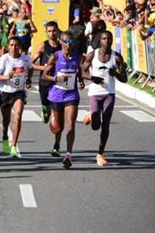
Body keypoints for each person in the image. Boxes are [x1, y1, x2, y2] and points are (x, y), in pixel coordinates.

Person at [82, 31, 127, 166]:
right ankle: (92, 115)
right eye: (104, 38)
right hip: (95, 93)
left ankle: (100, 153)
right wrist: (92, 78)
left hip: (109, 93)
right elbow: (83, 71)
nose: (107, 41)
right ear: (100, 40)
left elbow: (124, 79)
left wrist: (117, 74)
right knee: (96, 126)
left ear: (112, 40)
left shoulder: (117, 57)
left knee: (105, 124)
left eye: (109, 39)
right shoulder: (92, 55)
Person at [42, 31, 85, 169]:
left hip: (71, 95)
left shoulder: (77, 57)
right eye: (66, 42)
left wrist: (81, 81)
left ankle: (68, 155)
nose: (69, 44)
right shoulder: (55, 57)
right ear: (61, 42)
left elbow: (78, 72)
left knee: (70, 124)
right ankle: (56, 143)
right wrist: (56, 79)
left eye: (71, 42)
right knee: (58, 127)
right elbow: (44, 76)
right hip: (56, 95)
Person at [0, 37, 33, 158]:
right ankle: (5, 136)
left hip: (18, 92)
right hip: (5, 92)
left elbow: (30, 69)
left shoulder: (25, 59)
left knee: (18, 116)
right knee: (6, 120)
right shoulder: (4, 59)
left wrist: (29, 80)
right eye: (11, 45)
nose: (14, 47)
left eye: (16, 45)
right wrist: (6, 77)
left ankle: (14, 146)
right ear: (8, 46)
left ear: (20, 46)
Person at [31, 21, 61, 126]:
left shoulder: (62, 46)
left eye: (54, 31)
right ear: (46, 32)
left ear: (57, 31)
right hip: (44, 80)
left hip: (57, 81)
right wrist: (44, 68)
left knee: (56, 105)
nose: (52, 33)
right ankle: (46, 110)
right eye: (49, 31)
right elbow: (31, 64)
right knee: (46, 104)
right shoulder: (43, 46)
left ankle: (55, 121)